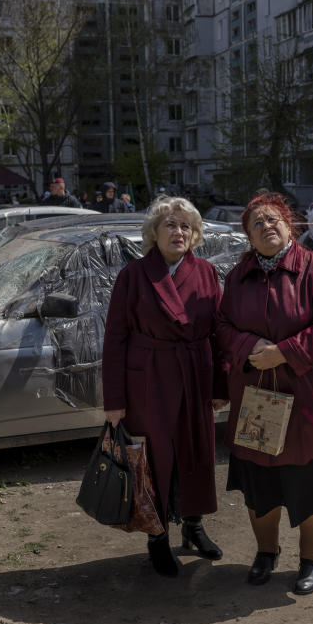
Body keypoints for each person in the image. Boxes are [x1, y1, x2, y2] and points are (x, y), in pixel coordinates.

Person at [217, 192, 313, 596]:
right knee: (261, 486)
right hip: (259, 397)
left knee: (312, 483)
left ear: (289, 225)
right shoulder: (237, 276)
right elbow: (222, 326)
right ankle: (266, 552)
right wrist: (250, 349)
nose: (267, 227)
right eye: (256, 223)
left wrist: (283, 353)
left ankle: (310, 561)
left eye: (273, 219)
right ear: (248, 237)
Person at [102, 196, 228, 577]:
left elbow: (219, 333)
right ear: (153, 233)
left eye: (186, 226)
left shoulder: (206, 272)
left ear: (195, 235)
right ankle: (157, 538)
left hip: (194, 373)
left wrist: (220, 384)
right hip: (148, 378)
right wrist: (114, 399)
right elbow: (114, 340)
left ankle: (193, 527)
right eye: (170, 225)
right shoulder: (134, 275)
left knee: (196, 452)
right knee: (154, 459)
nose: (179, 232)